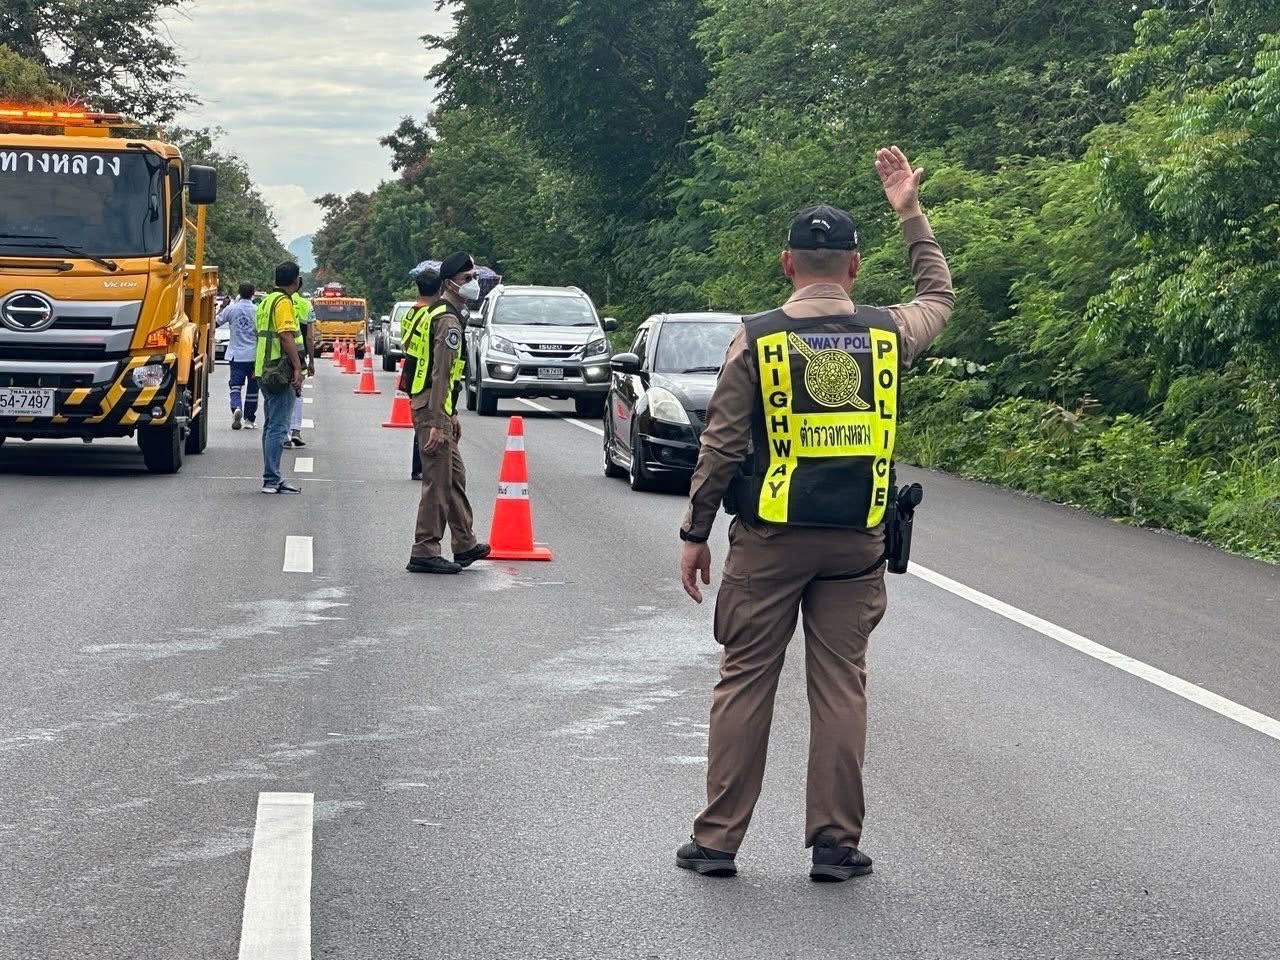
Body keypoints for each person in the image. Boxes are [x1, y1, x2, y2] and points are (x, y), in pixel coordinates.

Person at [675, 147, 955, 881]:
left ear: (786, 264)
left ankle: (718, 842)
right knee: (840, 687)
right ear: (855, 267)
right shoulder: (889, 332)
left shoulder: (758, 337)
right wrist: (910, 213)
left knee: (745, 681)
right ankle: (835, 844)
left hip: (769, 541)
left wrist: (696, 532)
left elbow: (720, 445)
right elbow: (940, 294)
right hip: (857, 542)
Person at [405, 252, 490, 574]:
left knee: (454, 475)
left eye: (475, 278)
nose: (473, 284)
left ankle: (465, 543)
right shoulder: (447, 320)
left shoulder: (441, 312)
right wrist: (440, 422)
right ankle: (424, 549)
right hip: (431, 407)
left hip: (436, 406)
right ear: (450, 284)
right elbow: (440, 374)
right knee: (438, 482)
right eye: (467, 279)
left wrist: (451, 412)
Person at [255, 261, 306, 494]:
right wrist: (297, 367)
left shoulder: (266, 301)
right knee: (278, 426)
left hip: (263, 369)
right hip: (278, 371)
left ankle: (271, 476)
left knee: (270, 425)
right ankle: (272, 479)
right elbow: (286, 336)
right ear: (296, 280)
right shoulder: (283, 302)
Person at [406, 265, 444, 482]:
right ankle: (421, 466)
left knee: (420, 420)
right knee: (426, 421)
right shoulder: (428, 315)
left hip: (412, 368)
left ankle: (418, 466)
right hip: (425, 370)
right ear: (440, 289)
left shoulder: (411, 312)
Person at [218, 282, 259, 430]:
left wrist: (222, 307)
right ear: (253, 293)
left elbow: (216, 322)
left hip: (236, 355)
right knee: (253, 389)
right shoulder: (257, 310)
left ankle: (236, 407)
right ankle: (249, 420)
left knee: (235, 386)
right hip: (254, 355)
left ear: (239, 292)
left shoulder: (231, 309)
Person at [287, 289, 316, 448]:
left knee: (279, 397)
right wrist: (311, 361)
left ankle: (283, 433)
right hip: (298, 355)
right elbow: (310, 337)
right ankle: (295, 430)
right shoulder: (306, 305)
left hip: (275, 356)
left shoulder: (268, 303)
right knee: (297, 393)